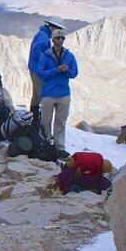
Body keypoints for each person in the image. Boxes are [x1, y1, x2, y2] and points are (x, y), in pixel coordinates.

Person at [37, 28, 78, 158]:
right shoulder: (45, 55)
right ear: (53, 40)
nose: (60, 40)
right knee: (45, 121)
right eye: (57, 38)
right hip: (49, 93)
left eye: (62, 38)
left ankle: (59, 148)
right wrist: (56, 70)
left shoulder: (69, 56)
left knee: (60, 121)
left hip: (63, 93)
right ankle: (45, 145)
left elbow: (74, 73)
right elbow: (40, 73)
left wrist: (65, 71)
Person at [28, 17, 64, 120]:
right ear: (52, 27)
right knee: (44, 97)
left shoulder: (42, 35)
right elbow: (37, 53)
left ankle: (34, 120)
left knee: (36, 97)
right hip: (37, 71)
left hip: (35, 69)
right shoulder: (43, 37)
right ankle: (42, 126)